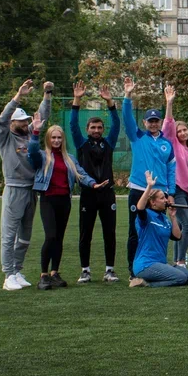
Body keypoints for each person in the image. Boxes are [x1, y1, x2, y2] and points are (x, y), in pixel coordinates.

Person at [27, 118, 102, 289]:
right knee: (51, 236)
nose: (56, 141)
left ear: (63, 140)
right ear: (48, 139)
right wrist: (35, 132)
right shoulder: (42, 156)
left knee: (59, 238)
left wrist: (93, 184)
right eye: (53, 138)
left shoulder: (70, 158)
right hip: (48, 200)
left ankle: (55, 273)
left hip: (64, 201)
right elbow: (31, 152)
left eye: (59, 138)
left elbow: (81, 174)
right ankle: (43, 275)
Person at [0, 79, 53, 289]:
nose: (23, 123)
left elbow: (42, 118)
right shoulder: (5, 138)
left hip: (31, 190)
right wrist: (18, 97)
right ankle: (8, 274)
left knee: (25, 236)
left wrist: (47, 95)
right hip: (14, 189)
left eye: (24, 120)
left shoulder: (28, 134)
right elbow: (1, 121)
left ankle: (17, 270)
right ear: (12, 123)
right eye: (19, 121)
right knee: (9, 235)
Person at [121, 77, 176, 277]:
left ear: (160, 122)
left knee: (159, 229)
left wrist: (170, 193)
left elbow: (171, 170)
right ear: (145, 122)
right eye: (150, 121)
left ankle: (159, 264)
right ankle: (133, 271)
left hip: (160, 192)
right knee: (135, 230)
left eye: (156, 121)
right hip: (138, 190)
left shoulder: (167, 144)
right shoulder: (137, 137)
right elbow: (126, 117)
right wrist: (127, 95)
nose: (153, 124)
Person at [69, 82, 120, 284]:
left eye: (99, 127)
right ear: (87, 129)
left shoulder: (109, 143)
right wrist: (77, 100)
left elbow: (116, 124)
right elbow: (72, 124)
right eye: (93, 127)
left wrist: (109, 102)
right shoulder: (82, 144)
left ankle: (109, 270)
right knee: (85, 233)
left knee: (110, 232)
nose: (96, 130)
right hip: (88, 194)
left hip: (108, 194)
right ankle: (85, 270)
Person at [128, 171, 188, 288]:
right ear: (153, 202)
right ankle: (146, 284)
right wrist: (149, 187)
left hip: (160, 263)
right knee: (181, 278)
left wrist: (173, 217)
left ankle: (151, 279)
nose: (166, 200)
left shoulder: (164, 218)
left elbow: (177, 237)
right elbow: (140, 207)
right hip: (146, 264)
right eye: (162, 198)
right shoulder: (146, 216)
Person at [159, 86, 188, 269]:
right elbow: (167, 125)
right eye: (179, 130)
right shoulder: (172, 143)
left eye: (184, 130)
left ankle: (176, 262)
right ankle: (181, 261)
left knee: (181, 227)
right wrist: (169, 103)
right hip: (178, 190)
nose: (182, 133)